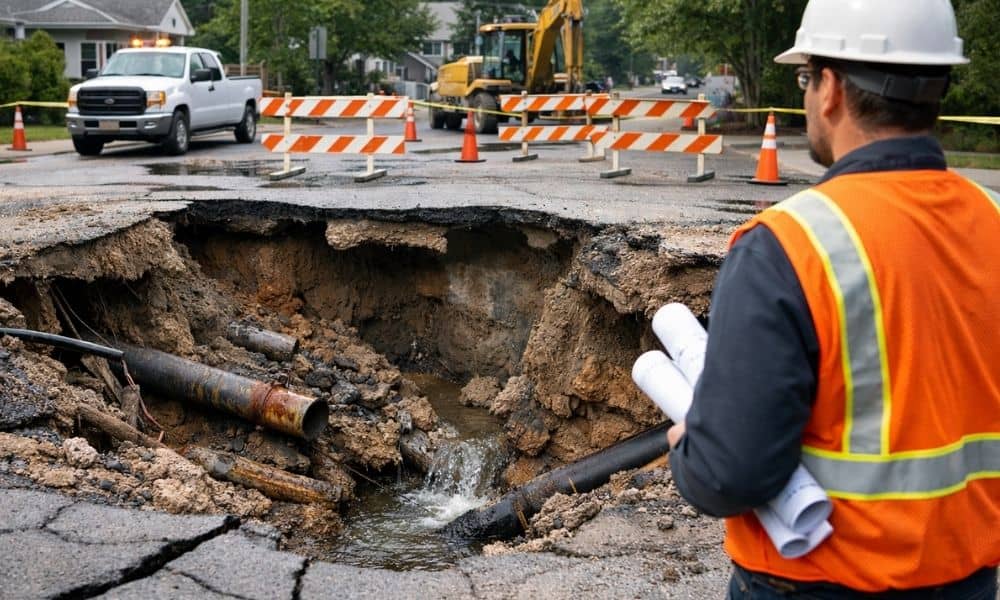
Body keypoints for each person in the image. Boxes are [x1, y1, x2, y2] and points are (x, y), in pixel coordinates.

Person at [665, 0, 1000, 597]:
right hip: (967, 579)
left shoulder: (787, 246)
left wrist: (690, 454)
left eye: (805, 76)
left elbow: (730, 474)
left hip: (818, 579)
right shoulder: (992, 220)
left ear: (832, 90)